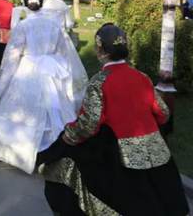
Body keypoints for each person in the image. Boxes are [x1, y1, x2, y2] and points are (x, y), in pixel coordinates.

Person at [36, 24, 189, 216]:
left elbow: (88, 124)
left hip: (120, 153)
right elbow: (163, 113)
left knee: (65, 164)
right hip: (155, 149)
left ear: (100, 50)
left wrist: (66, 136)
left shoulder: (99, 81)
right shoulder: (141, 77)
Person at [0, 0, 88, 173]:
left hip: (27, 69)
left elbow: (13, 55)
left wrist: (4, 76)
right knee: (53, 108)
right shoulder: (54, 26)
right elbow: (63, 52)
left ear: (25, 4)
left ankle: (23, 150)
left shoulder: (23, 26)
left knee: (23, 108)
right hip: (50, 68)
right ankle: (51, 151)